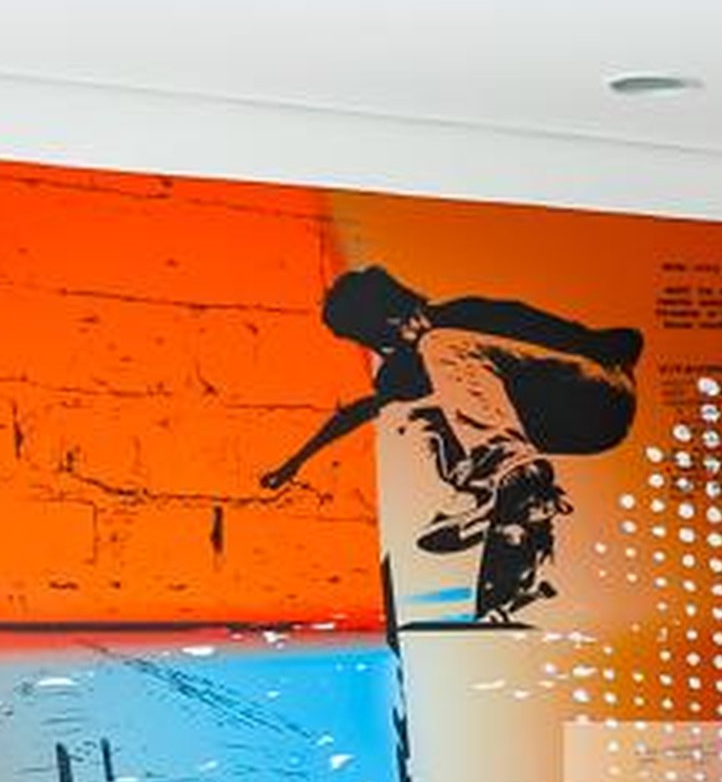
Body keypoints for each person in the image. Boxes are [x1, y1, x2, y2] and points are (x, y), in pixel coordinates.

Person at [261, 265, 647, 620]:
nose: (388, 347)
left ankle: (518, 476)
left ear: (400, 313)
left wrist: (610, 346)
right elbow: (360, 411)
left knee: (440, 345)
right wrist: (295, 461)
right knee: (416, 415)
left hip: (597, 392)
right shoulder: (404, 368)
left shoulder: (465, 317)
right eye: (376, 343)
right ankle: (507, 515)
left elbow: (551, 329)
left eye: (384, 335)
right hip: (560, 425)